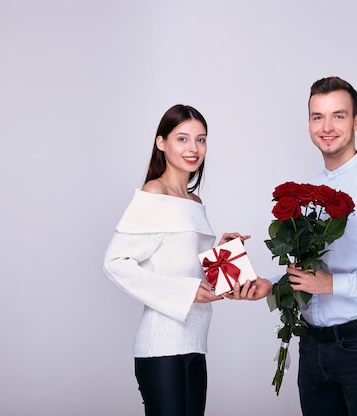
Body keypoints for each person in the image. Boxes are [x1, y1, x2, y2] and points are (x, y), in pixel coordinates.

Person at [236, 76, 357, 415]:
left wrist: (332, 285)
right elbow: (312, 274)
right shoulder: (310, 193)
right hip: (313, 348)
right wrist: (274, 289)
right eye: (317, 116)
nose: (327, 127)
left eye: (338, 115)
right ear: (308, 123)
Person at [102, 104, 251, 416]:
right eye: (182, 139)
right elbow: (115, 263)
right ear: (161, 143)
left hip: (194, 342)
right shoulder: (154, 193)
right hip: (162, 347)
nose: (193, 149)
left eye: (201, 139)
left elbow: (188, 270)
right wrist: (183, 292)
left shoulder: (193, 201)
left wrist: (221, 255)